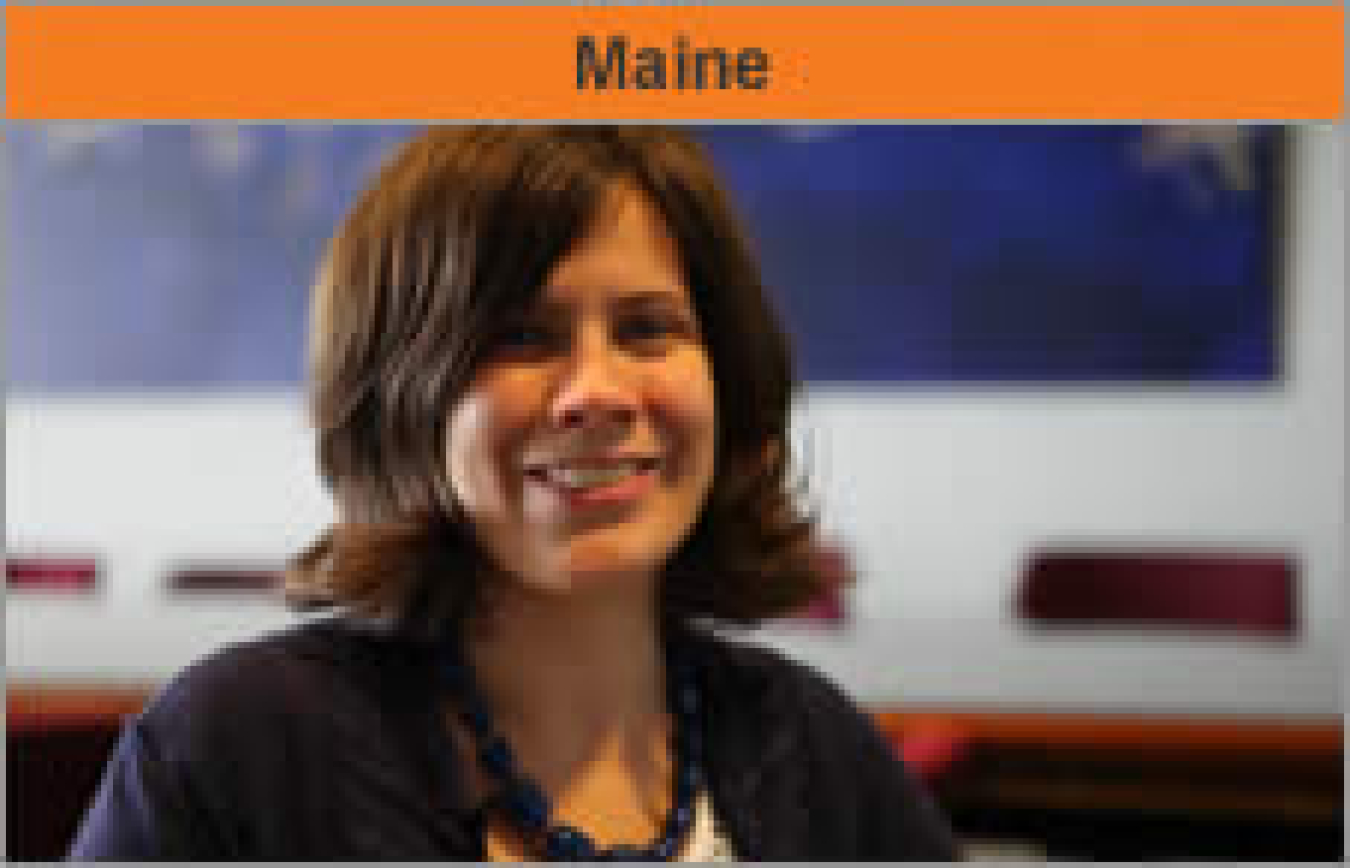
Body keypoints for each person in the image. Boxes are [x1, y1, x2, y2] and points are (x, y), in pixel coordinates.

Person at [69, 126, 958, 861]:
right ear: (402, 400)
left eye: (649, 330)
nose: (598, 392)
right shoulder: (236, 752)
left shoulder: (814, 750)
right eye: (523, 338)